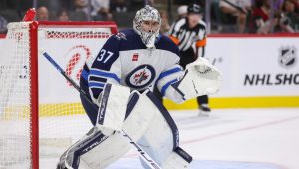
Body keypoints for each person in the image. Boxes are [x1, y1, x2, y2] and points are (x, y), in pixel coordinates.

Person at [56, 5, 221, 169]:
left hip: (132, 93)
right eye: (146, 23)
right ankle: (73, 162)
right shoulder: (120, 41)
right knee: (110, 133)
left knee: (149, 129)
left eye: (154, 24)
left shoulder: (168, 48)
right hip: (93, 84)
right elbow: (102, 77)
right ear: (137, 24)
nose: (150, 28)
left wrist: (191, 84)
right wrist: (112, 108)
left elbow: (171, 87)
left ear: (160, 25)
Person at [168, 3, 211, 115]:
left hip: (187, 52)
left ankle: (203, 103)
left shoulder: (202, 26)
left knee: (198, 74)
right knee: (165, 76)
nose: (195, 18)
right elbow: (171, 45)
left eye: (198, 15)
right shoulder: (179, 24)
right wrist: (171, 61)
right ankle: (158, 102)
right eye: (193, 15)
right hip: (173, 51)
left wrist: (200, 61)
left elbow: (200, 45)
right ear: (188, 15)